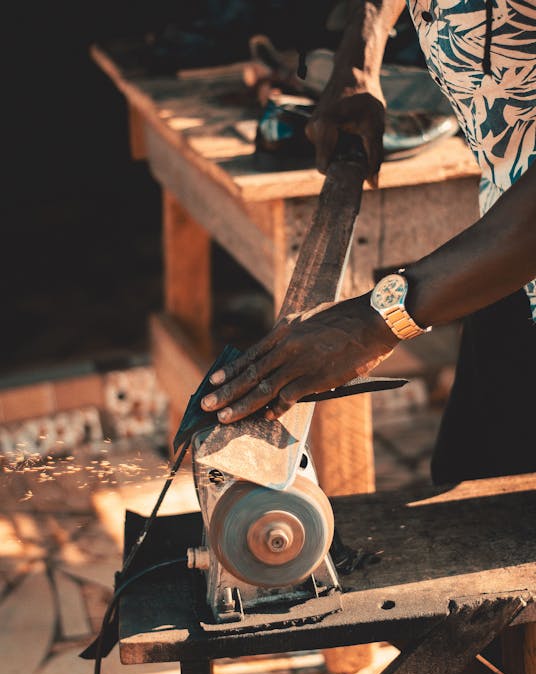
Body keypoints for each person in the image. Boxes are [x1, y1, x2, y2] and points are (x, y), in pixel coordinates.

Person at [201, 0, 536, 484]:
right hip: (507, 264)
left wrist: (376, 320)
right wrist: (358, 55)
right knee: (468, 484)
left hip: (518, 241)